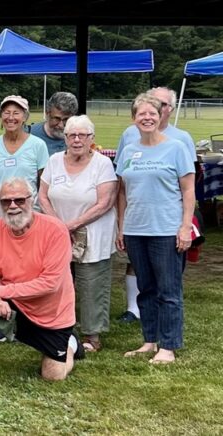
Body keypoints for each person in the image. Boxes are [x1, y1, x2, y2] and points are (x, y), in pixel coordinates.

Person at [0, 177, 81, 383]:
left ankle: (71, 344)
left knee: (53, 376)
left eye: (19, 200)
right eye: (5, 201)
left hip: (51, 314)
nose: (12, 206)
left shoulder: (56, 230)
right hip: (11, 303)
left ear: (32, 199)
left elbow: (50, 283)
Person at [116, 93, 195, 365]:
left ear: (162, 114)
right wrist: (121, 227)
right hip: (136, 229)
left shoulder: (176, 148)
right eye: (141, 114)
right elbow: (123, 191)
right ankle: (149, 341)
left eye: (153, 113)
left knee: (168, 290)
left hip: (166, 229)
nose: (147, 118)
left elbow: (188, 190)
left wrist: (185, 227)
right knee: (145, 288)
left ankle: (168, 346)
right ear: (134, 118)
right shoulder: (128, 151)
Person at [38, 115, 117, 352]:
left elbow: (105, 203)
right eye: (72, 135)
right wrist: (57, 224)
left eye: (83, 135)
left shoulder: (102, 164)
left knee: (91, 283)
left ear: (92, 139)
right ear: (65, 138)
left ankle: (92, 335)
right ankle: (59, 327)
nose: (77, 140)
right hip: (58, 233)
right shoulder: (54, 161)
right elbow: (42, 195)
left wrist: (71, 225)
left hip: (93, 234)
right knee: (59, 282)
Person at [0, 95, 49, 217]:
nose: (11, 117)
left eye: (16, 113)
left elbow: (44, 185)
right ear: (1, 116)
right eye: (6, 113)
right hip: (0, 215)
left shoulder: (38, 145)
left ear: (25, 117)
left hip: (30, 215)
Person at [28, 92, 78, 156]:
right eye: (57, 118)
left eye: (66, 119)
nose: (61, 125)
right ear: (47, 114)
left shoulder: (80, 137)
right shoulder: (29, 135)